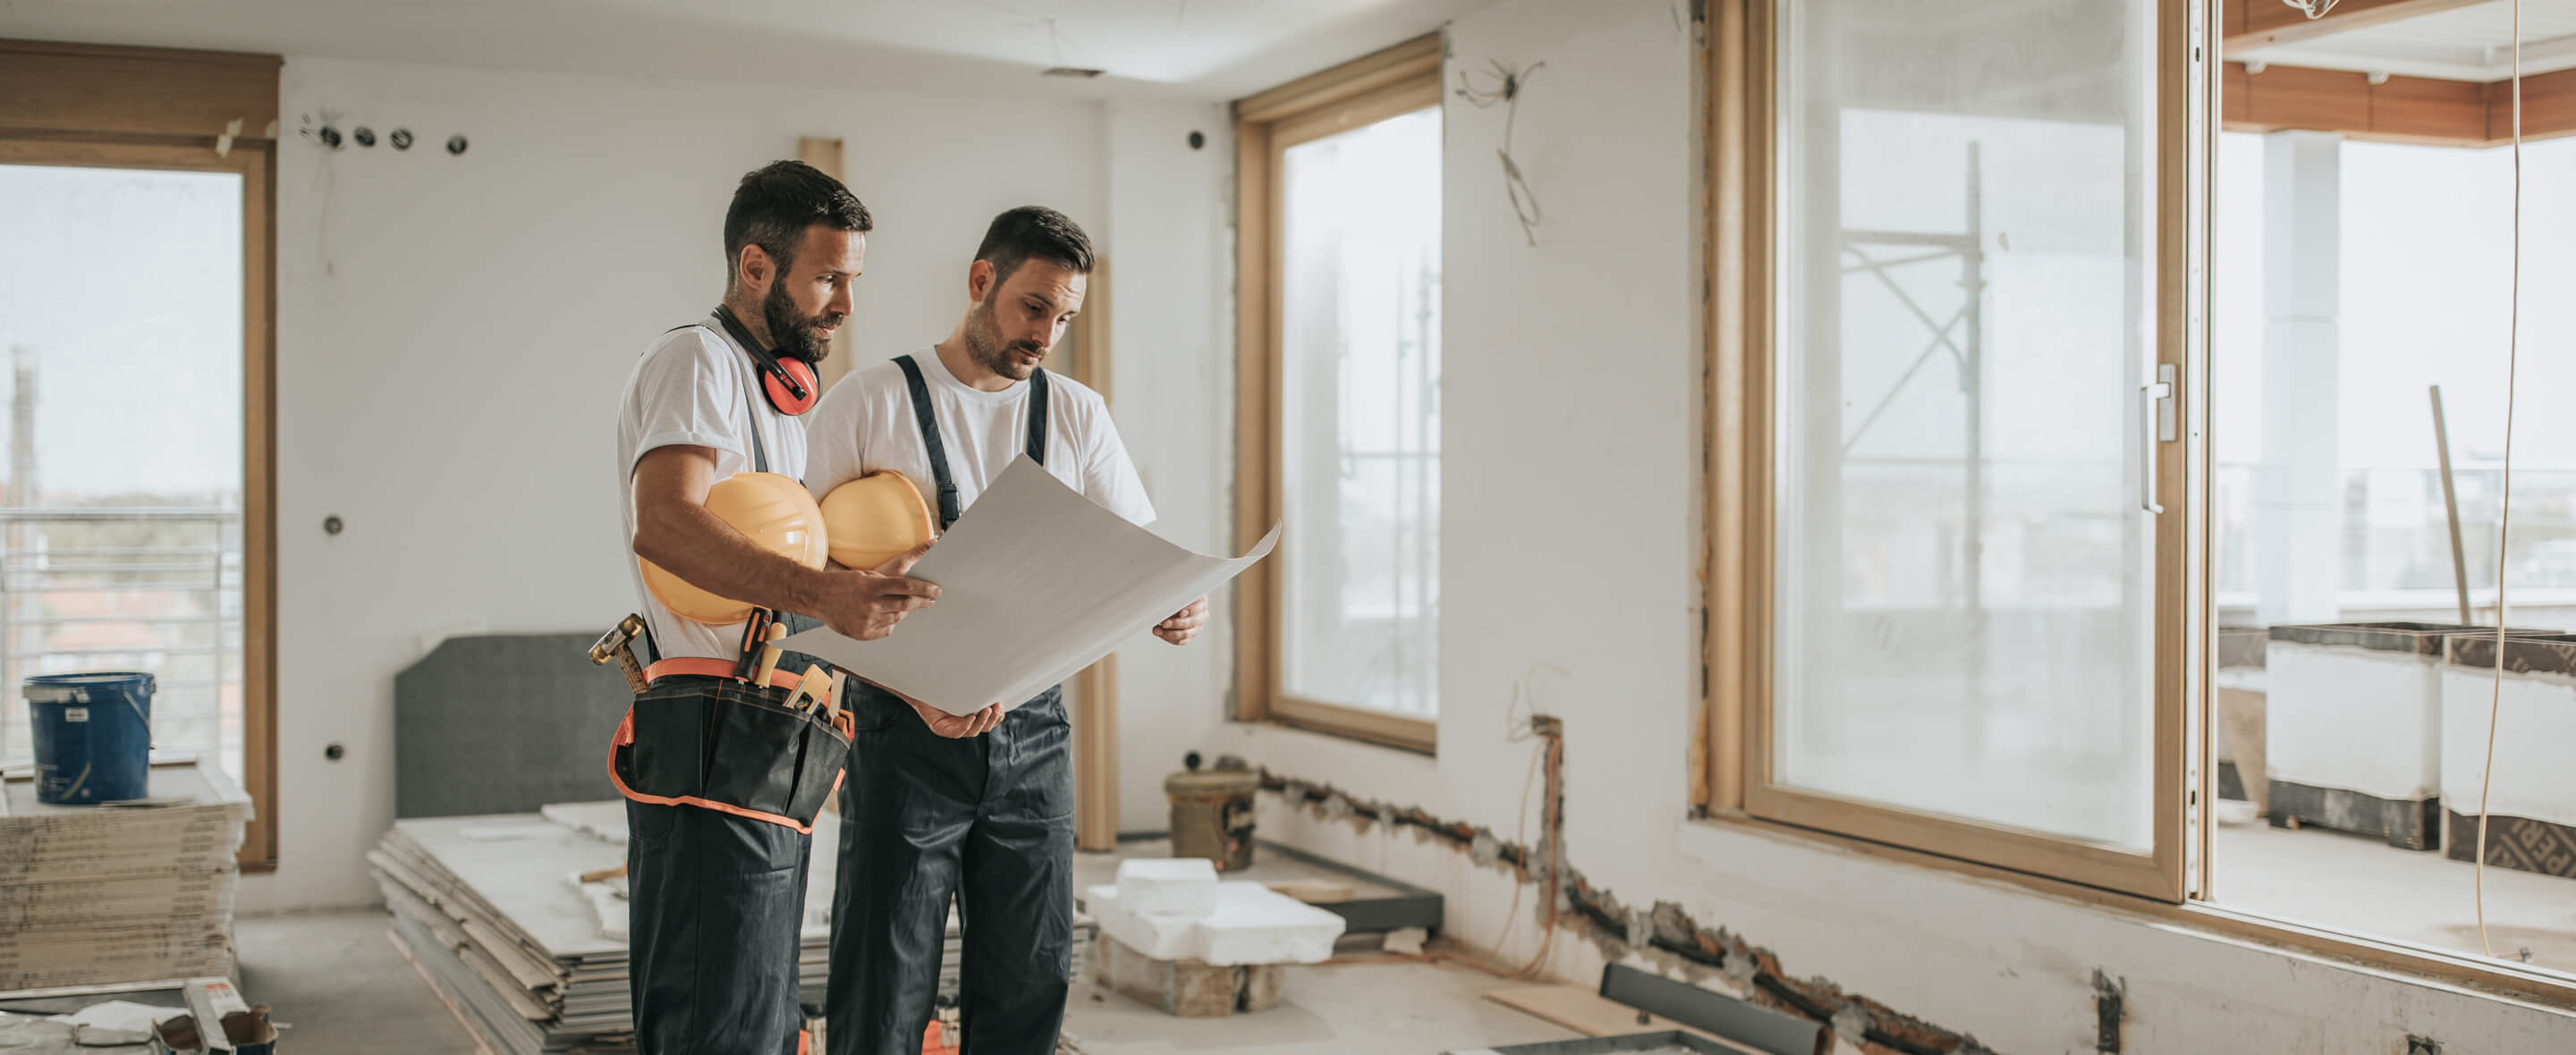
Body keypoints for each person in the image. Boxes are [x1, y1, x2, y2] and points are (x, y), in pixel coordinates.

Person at [807, 206, 1210, 1055]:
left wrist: (1174, 604)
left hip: (1035, 740)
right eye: (1034, 307)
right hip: (902, 734)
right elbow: (807, 584)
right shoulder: (868, 401)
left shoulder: (1077, 413)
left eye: (1064, 317)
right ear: (980, 281)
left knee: (1030, 979)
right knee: (882, 982)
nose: (1047, 334)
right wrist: (911, 681)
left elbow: (1135, 553)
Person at [613, 159, 940, 1055]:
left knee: (757, 1008)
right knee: (713, 1013)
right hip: (712, 721)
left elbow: (790, 551)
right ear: (756, 267)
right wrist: (827, 592)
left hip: (778, 725)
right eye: (828, 277)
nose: (843, 303)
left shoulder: (790, 400)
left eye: (853, 281)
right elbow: (667, 526)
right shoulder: (697, 360)